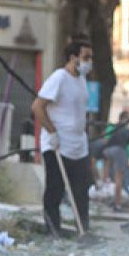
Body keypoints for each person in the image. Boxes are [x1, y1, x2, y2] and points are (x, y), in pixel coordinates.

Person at [32, 38, 94, 237]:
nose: (89, 62)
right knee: (55, 190)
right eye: (85, 57)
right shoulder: (59, 77)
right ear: (73, 57)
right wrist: (51, 132)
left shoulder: (82, 80)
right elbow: (37, 107)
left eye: (90, 57)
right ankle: (52, 231)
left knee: (81, 191)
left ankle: (83, 230)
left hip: (78, 145)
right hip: (57, 144)